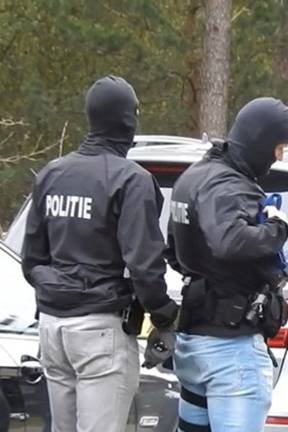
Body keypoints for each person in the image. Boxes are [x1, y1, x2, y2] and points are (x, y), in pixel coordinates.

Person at [21, 75, 178, 432]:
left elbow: (32, 261)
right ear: (128, 120)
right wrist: (165, 313)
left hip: (52, 329)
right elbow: (144, 265)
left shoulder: (51, 174)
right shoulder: (131, 180)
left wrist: (57, 287)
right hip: (101, 329)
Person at [165, 97, 288, 432]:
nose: (279, 157)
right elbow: (230, 242)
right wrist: (277, 230)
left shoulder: (193, 177)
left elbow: (172, 250)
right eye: (279, 147)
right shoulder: (230, 185)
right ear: (261, 141)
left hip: (194, 344)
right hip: (232, 353)